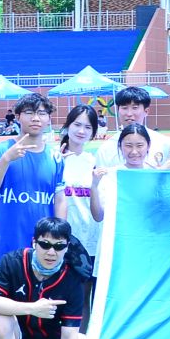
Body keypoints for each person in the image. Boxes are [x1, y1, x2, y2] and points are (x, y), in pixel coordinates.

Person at [0, 95, 66, 312]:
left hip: (43, 252)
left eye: (42, 113)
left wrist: (61, 240)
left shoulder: (55, 157)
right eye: (29, 112)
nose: (36, 118)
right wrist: (6, 160)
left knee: (43, 318)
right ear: (17, 117)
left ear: (48, 119)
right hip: (5, 250)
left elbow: (59, 200)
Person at [55, 105, 106, 257]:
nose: (81, 131)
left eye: (88, 127)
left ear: (93, 132)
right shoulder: (54, 158)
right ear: (67, 126)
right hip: (59, 241)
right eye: (77, 124)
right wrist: (55, 166)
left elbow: (99, 213)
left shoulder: (94, 162)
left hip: (89, 241)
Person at [95, 85, 170, 170]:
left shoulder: (165, 144)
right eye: (124, 108)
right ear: (118, 111)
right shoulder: (106, 149)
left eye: (135, 108)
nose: (129, 114)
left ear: (146, 111)